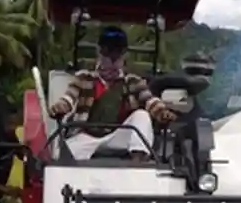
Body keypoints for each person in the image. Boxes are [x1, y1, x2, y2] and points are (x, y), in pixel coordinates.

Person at [47, 25, 176, 160]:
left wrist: (162, 113)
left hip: (117, 136)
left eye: (117, 54)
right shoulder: (84, 78)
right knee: (58, 157)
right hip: (87, 136)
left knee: (142, 115)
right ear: (99, 53)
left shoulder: (132, 81)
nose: (112, 60)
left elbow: (151, 101)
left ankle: (137, 164)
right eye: (108, 53)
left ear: (124, 55)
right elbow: (69, 98)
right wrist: (60, 107)